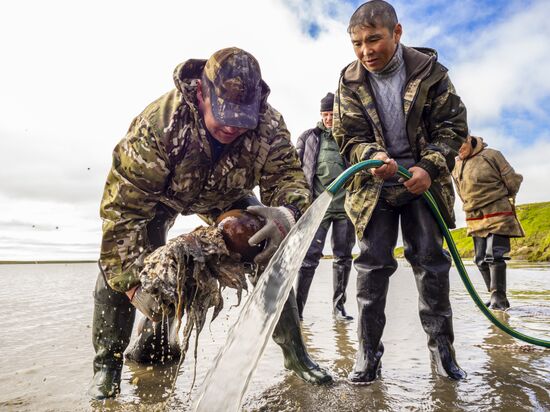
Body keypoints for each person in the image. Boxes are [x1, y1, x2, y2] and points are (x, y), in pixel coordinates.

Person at [88, 47, 332, 399]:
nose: (233, 126)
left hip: (225, 194)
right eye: (224, 115)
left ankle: (296, 356)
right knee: (118, 270)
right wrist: (130, 285)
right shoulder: (158, 126)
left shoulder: (268, 124)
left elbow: (289, 181)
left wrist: (286, 215)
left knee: (269, 250)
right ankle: (106, 368)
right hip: (160, 198)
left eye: (241, 118)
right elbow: (121, 213)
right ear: (201, 93)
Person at [332, 0, 469, 383]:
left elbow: (452, 128)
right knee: (372, 267)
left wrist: (429, 167)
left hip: (422, 184)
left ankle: (443, 353)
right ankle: (367, 355)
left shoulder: (433, 73)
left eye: (373, 39)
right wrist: (372, 155)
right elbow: (349, 136)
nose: (366, 51)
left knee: (430, 262)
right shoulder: (349, 80)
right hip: (374, 188)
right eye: (357, 43)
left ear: (397, 32)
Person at [295, 92, 356, 321]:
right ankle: (298, 310)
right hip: (318, 208)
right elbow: (296, 171)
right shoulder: (308, 138)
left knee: (343, 257)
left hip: (345, 209)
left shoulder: (348, 138)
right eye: (325, 114)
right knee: (309, 258)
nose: (329, 118)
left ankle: (338, 308)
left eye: (332, 114)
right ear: (321, 115)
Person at [452, 135, 524, 310]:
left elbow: (512, 181)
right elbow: (459, 189)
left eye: (461, 145)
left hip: (497, 211)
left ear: (469, 140)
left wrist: (505, 195)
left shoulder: (491, 155)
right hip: (474, 215)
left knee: (495, 255)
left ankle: (500, 299)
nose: (459, 150)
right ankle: (493, 295)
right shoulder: (455, 163)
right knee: (480, 259)